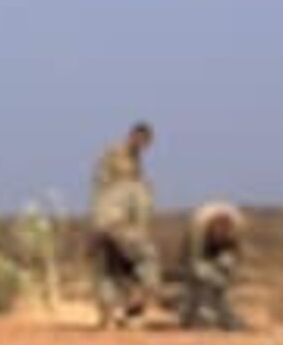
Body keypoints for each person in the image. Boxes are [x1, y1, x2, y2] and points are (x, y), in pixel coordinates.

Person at [88, 122, 160, 328]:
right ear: (132, 135)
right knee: (110, 267)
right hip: (111, 219)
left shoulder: (137, 161)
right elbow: (100, 186)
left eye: (146, 142)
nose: (142, 144)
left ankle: (129, 312)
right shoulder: (112, 154)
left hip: (127, 223)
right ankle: (109, 314)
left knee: (126, 269)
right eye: (140, 139)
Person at [170, 200, 248, 331]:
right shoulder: (198, 227)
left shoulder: (237, 225)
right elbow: (194, 262)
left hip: (222, 252)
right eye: (218, 235)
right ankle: (193, 315)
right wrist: (206, 274)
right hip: (197, 253)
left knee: (222, 275)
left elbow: (236, 255)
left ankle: (223, 315)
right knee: (198, 280)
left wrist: (224, 274)